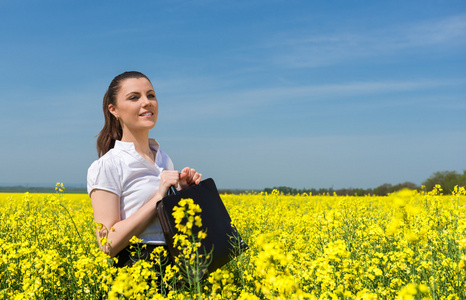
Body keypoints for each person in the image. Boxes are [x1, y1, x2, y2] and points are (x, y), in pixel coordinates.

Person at [87, 71, 202, 268]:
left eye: (151, 95)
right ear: (114, 110)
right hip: (136, 268)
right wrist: (158, 197)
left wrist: (181, 191)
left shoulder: (164, 159)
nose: (147, 102)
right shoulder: (107, 166)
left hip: (176, 265)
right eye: (134, 97)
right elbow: (107, 244)